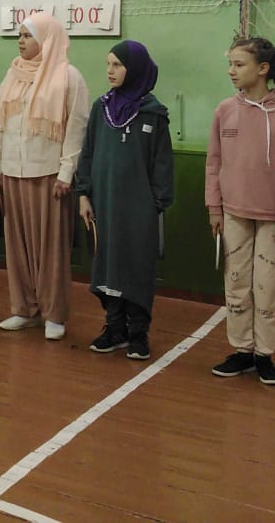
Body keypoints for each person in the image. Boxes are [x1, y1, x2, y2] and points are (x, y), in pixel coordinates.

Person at [206, 37, 275, 387]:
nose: (231, 71)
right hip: (233, 215)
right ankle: (243, 350)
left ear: (263, 69)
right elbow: (214, 163)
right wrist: (215, 208)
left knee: (268, 288)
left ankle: (264, 354)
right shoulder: (224, 111)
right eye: (230, 64)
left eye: (239, 64)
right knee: (236, 285)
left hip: (274, 220)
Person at [0, 11, 90, 341]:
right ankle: (24, 308)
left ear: (47, 39)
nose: (20, 41)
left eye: (27, 35)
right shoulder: (13, 74)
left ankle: (54, 314)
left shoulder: (68, 77)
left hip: (48, 174)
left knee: (51, 248)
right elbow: (0, 123)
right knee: (17, 246)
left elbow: (77, 128)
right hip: (12, 172)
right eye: (19, 35)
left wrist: (66, 173)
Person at [76, 40, 174, 361]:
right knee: (107, 266)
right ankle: (115, 328)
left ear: (135, 69)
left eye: (117, 65)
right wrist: (84, 194)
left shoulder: (153, 114)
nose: (110, 71)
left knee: (136, 268)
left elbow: (162, 164)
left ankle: (138, 333)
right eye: (108, 64)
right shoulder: (101, 108)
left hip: (139, 210)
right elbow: (88, 153)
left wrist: (155, 204)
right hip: (103, 204)